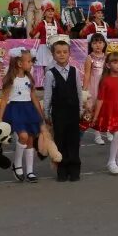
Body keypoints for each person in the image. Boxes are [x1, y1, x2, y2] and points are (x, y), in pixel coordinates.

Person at [0, 48, 45, 183]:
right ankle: (17, 163)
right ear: (19, 63)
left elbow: (34, 97)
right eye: (29, 61)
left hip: (28, 110)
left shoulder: (29, 78)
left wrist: (40, 114)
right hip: (16, 110)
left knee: (30, 140)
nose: (31, 64)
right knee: (23, 136)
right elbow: (4, 99)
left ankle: (30, 171)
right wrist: (0, 119)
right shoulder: (11, 79)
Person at [42, 35, 82, 182]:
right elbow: (47, 95)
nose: (62, 55)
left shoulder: (75, 71)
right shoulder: (50, 73)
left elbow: (78, 91)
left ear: (69, 53)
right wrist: (46, 112)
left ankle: (74, 168)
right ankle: (62, 169)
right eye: (58, 52)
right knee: (60, 140)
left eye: (65, 52)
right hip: (58, 113)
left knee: (73, 140)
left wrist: (81, 109)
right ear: (53, 54)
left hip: (73, 112)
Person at [83, 33, 108, 145]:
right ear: (91, 45)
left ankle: (107, 130)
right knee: (95, 110)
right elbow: (87, 74)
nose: (98, 45)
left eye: (100, 42)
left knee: (106, 109)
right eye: (95, 43)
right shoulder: (89, 58)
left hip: (105, 86)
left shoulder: (107, 57)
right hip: (94, 86)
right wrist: (85, 90)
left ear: (104, 44)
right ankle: (97, 135)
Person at [30, 0, 66, 73]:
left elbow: (63, 35)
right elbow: (32, 35)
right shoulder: (41, 24)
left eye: (52, 11)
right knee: (46, 69)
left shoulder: (56, 24)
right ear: (44, 13)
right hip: (44, 48)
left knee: (55, 67)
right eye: (48, 11)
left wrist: (68, 30)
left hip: (55, 48)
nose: (50, 12)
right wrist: (34, 27)